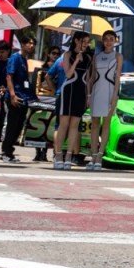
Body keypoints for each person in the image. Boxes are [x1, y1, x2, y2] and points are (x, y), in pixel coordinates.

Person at [54, 32, 91, 170]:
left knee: (75, 125)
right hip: (68, 90)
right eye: (84, 41)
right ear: (76, 40)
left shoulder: (88, 57)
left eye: (88, 41)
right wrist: (76, 60)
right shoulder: (67, 55)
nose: (86, 44)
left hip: (81, 92)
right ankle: (58, 155)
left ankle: (69, 156)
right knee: (64, 124)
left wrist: (88, 96)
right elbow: (68, 74)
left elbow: (88, 79)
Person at [86, 30, 120, 171]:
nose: (108, 42)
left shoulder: (118, 56)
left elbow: (117, 78)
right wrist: (88, 94)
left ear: (115, 41)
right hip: (96, 92)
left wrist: (115, 96)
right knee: (94, 124)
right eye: (106, 39)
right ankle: (93, 155)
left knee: (106, 125)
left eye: (111, 39)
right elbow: (92, 76)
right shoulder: (96, 56)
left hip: (110, 92)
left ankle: (100, 156)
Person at [1, 37, 36, 163]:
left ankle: (9, 151)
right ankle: (6, 152)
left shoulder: (25, 60)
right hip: (15, 97)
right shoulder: (15, 58)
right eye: (29, 43)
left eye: (33, 44)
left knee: (19, 126)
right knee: (12, 126)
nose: (31, 46)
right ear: (22, 44)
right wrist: (12, 95)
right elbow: (9, 76)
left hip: (23, 98)